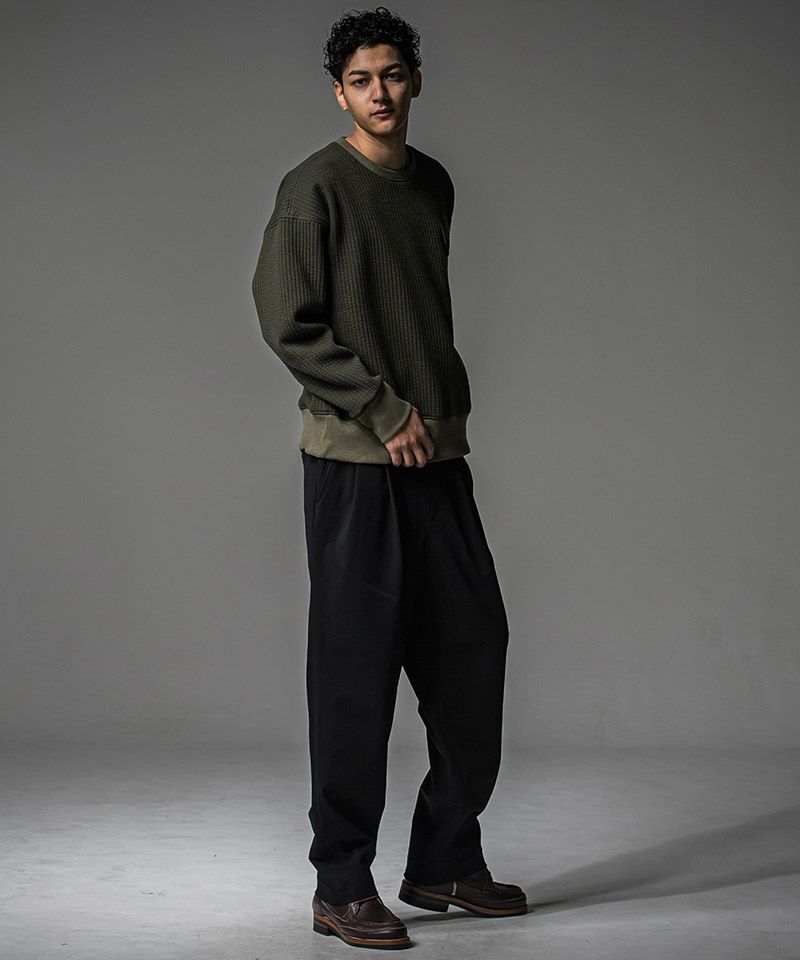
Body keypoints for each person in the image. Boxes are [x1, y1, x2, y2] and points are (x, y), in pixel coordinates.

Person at [251, 6, 526, 950]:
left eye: (393, 75)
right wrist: (379, 408)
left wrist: (431, 415)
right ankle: (341, 883)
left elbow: (413, 310)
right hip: (355, 466)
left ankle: (444, 857)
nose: (380, 93)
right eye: (361, 80)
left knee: (474, 652)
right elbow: (287, 319)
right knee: (354, 673)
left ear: (416, 82)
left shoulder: (433, 184)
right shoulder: (312, 189)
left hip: (437, 458)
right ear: (340, 93)